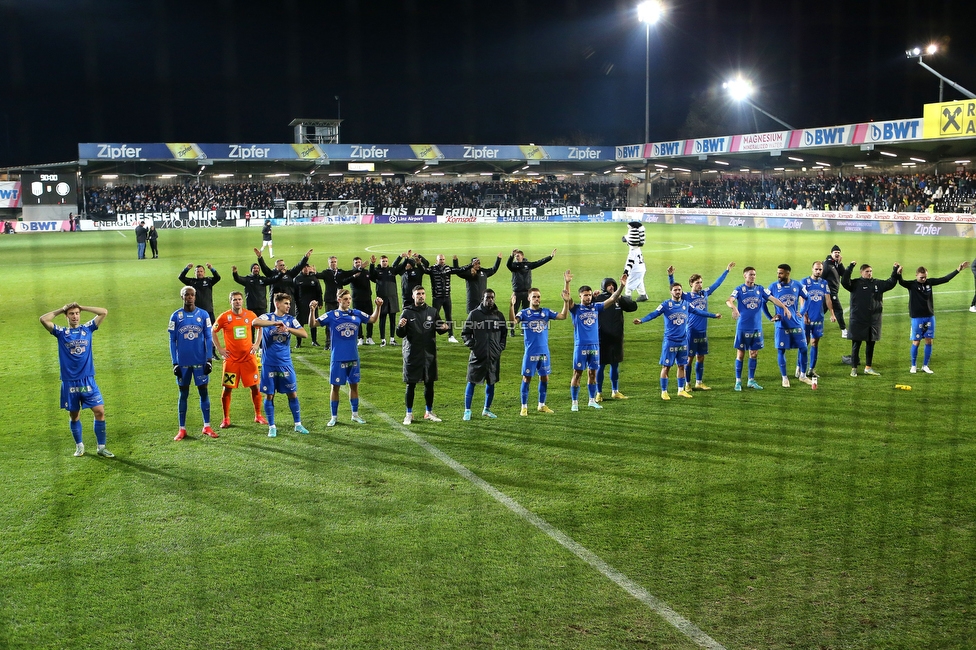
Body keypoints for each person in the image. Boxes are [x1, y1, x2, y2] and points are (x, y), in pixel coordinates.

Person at [40, 302, 113, 457]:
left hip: (87, 379)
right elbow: (43, 319)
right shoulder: (61, 332)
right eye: (71, 314)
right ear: (67, 316)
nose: (75, 316)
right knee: (74, 415)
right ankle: (79, 446)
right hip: (69, 381)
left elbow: (103, 312)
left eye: (77, 313)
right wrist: (61, 309)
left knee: (99, 411)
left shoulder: (87, 329)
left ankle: (101, 447)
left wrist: (83, 307)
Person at [634, 283, 720, 400]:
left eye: (679, 290)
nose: (678, 292)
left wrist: (713, 315)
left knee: (681, 366)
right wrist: (642, 320)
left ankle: (681, 390)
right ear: (671, 292)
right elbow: (654, 314)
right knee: (666, 367)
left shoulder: (686, 304)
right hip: (670, 341)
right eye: (675, 290)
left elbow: (699, 312)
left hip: (683, 341)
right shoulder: (665, 305)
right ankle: (664, 391)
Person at [308, 290, 382, 427]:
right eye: (345, 299)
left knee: (354, 386)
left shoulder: (356, 313)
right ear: (339, 300)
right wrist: (312, 310)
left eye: (349, 299)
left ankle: (355, 415)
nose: (348, 301)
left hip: (353, 357)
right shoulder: (331, 315)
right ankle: (334, 417)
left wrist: (378, 307)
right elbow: (313, 324)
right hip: (337, 358)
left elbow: (372, 319)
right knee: (335, 387)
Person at [564, 269, 627, 411]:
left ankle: (592, 400)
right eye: (585, 295)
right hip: (580, 346)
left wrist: (622, 286)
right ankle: (575, 403)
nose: (588, 297)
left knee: (592, 373)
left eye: (590, 294)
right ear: (580, 296)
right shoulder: (576, 309)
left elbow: (611, 299)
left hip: (595, 346)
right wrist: (567, 283)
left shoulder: (596, 307)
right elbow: (567, 298)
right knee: (577, 373)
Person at [666, 261, 734, 390]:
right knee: (689, 359)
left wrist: (727, 270)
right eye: (697, 283)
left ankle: (699, 382)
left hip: (703, 331)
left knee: (701, 357)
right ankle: (687, 384)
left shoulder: (705, 293)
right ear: (691, 284)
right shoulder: (686, 295)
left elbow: (717, 284)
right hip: (691, 331)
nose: (700, 285)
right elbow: (673, 289)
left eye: (701, 282)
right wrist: (671, 276)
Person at [726, 266, 791, 391]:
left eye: (754, 274)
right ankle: (738, 381)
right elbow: (729, 300)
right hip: (743, 327)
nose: (753, 276)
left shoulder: (760, 289)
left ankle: (751, 380)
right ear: (744, 276)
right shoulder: (739, 289)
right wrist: (734, 308)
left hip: (756, 328)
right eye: (750, 274)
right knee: (740, 354)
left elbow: (773, 299)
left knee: (754, 354)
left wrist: (784, 307)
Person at [212, 291, 270, 429]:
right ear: (230, 302)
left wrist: (256, 344)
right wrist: (219, 349)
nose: (237, 302)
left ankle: (258, 415)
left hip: (248, 359)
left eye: (239, 299)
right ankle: (226, 418)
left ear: (242, 301)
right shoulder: (224, 317)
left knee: (255, 387)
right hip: (231, 361)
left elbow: (260, 328)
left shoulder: (250, 315)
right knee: (227, 389)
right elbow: (213, 331)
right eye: (234, 300)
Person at [897, 261, 968, 374]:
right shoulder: (911, 285)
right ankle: (913, 365)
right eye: (921, 277)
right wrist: (898, 274)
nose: (924, 279)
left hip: (930, 316)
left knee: (929, 341)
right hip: (917, 318)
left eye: (925, 277)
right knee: (916, 341)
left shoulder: (929, 283)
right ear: (916, 275)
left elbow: (945, 279)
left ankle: (925, 366)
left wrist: (958, 270)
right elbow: (901, 282)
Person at [396, 286, 450, 424]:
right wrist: (400, 326)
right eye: (418, 294)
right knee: (411, 384)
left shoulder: (432, 311)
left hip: (429, 354)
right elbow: (400, 334)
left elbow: (439, 329)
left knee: (429, 383)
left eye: (423, 293)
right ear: (413, 296)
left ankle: (429, 412)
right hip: (412, 353)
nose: (421, 296)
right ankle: (409, 414)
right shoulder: (407, 312)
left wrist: (445, 327)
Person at [258, 293, 309, 437]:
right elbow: (255, 322)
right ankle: (272, 426)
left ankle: (298, 424)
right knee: (269, 395)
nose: (288, 306)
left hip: (285, 363)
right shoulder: (267, 317)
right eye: (286, 303)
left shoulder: (290, 319)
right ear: (277, 304)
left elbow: (304, 334)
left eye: (289, 304)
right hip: (269, 364)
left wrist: (288, 329)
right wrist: (274, 324)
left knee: (292, 393)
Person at [510, 288, 568, 416]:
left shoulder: (546, 312)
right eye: (534, 297)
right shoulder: (524, 313)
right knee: (527, 378)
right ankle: (524, 407)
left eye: (539, 297)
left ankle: (541, 405)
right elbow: (512, 322)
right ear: (529, 298)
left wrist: (566, 302)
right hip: (530, 353)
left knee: (544, 377)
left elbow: (563, 316)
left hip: (544, 352)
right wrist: (511, 306)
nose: (537, 299)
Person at [169, 286, 217, 440]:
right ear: (181, 297)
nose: (189, 297)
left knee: (204, 392)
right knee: (183, 394)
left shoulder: (203, 315)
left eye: (192, 295)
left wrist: (209, 359)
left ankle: (207, 426)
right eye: (186, 295)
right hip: (182, 363)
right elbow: (172, 340)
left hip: (200, 361)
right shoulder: (175, 316)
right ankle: (182, 429)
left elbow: (209, 338)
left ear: (195, 297)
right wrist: (174, 363)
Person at [841, 261, 900, 377]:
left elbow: (891, 283)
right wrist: (850, 268)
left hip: (873, 320)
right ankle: (854, 368)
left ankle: (868, 367)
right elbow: (844, 282)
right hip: (858, 319)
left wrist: (895, 271)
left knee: (870, 344)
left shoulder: (877, 283)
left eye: (871, 271)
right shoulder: (855, 284)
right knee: (856, 345)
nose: (869, 273)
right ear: (861, 272)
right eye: (867, 271)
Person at [461, 289, 508, 420]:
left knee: (491, 383)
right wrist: (473, 345)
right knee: (471, 382)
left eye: (492, 298)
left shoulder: (499, 316)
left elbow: (504, 334)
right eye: (488, 297)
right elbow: (465, 333)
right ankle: (467, 410)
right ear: (483, 298)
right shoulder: (474, 314)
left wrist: (500, 347)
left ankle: (486, 409)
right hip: (477, 356)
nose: (490, 300)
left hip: (493, 356)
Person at [764, 264, 813, 388]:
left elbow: (808, 298)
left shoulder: (797, 285)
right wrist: (771, 317)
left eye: (781, 273)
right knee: (781, 350)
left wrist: (801, 313)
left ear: (787, 273)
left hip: (796, 324)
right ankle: (784, 378)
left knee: (803, 349)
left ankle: (803, 375)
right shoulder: (773, 286)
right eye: (777, 273)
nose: (778, 275)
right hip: (781, 325)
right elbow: (762, 302)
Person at [592, 276, 638, 401]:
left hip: (617, 338)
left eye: (613, 285)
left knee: (615, 365)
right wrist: (593, 297)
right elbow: (586, 305)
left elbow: (633, 306)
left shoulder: (618, 299)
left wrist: (621, 297)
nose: (611, 287)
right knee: (600, 366)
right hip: (602, 338)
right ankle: (599, 393)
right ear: (603, 286)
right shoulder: (599, 299)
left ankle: (615, 391)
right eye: (609, 285)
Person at [799, 261, 835, 379]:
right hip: (806, 318)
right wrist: (805, 315)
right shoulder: (805, 282)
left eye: (820, 269)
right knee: (804, 343)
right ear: (812, 269)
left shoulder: (824, 283)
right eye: (816, 269)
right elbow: (802, 299)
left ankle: (811, 369)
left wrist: (832, 314)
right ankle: (799, 367)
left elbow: (828, 300)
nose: (818, 271)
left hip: (818, 318)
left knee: (815, 343)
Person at [507, 248, 556, 335]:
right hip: (517, 292)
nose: (516, 257)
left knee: (526, 311)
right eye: (515, 256)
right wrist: (511, 256)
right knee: (514, 310)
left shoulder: (528, 265)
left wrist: (550, 257)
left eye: (517, 256)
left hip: (527, 292)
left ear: (522, 256)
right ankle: (512, 329)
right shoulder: (513, 266)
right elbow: (508, 265)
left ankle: (523, 329)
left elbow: (539, 262)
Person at [314, 256, 360, 350]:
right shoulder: (326, 273)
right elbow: (318, 275)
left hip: (340, 302)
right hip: (330, 300)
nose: (333, 263)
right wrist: (314, 272)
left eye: (335, 262)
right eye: (331, 262)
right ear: (328, 263)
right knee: (328, 322)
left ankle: (341, 341)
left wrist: (359, 268)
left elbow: (350, 272)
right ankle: (328, 343)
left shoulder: (340, 272)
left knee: (342, 321)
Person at [256, 247, 311, 312]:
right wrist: (260, 258)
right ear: (276, 266)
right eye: (280, 265)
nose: (282, 266)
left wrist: (305, 257)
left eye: (283, 265)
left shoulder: (289, 273)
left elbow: (298, 267)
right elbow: (264, 267)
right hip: (276, 302)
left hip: (288, 301)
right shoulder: (271, 274)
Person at [426, 253, 461, 343]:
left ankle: (451, 336)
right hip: (437, 298)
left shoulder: (447, 268)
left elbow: (459, 270)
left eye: (443, 259)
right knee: (434, 316)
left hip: (447, 297)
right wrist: (419, 261)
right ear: (436, 260)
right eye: (440, 259)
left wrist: (457, 262)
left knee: (448, 316)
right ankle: (431, 335)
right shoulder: (432, 269)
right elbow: (423, 269)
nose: (442, 261)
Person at [369, 254, 400, 347]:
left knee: (393, 320)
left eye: (386, 261)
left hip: (392, 298)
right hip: (382, 299)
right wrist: (372, 264)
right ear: (380, 262)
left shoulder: (392, 270)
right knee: (382, 320)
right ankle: (383, 339)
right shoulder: (377, 272)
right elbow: (371, 274)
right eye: (383, 261)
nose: (385, 263)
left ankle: (392, 339)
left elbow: (400, 267)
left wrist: (403, 257)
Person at [294, 264, 323, 348]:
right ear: (301, 269)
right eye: (304, 267)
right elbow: (294, 293)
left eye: (307, 267)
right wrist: (295, 304)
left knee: (313, 323)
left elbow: (319, 291)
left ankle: (314, 341)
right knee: (299, 324)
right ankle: (298, 343)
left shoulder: (314, 278)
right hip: (301, 306)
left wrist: (320, 302)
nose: (306, 269)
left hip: (312, 306)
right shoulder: (297, 279)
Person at [349, 256, 376, 345]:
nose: (358, 264)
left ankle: (369, 337)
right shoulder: (353, 273)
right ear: (353, 264)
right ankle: (360, 338)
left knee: (370, 318)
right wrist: (359, 269)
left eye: (359, 262)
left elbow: (372, 276)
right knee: (357, 319)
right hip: (357, 300)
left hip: (367, 299)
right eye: (356, 262)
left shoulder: (365, 272)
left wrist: (372, 264)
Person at [823, 245, 847, 337]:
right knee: (839, 310)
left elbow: (844, 274)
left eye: (838, 252)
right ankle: (844, 330)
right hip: (829, 292)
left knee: (821, 310)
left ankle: (809, 327)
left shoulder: (835, 263)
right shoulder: (827, 264)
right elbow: (821, 277)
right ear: (831, 253)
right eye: (835, 252)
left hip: (833, 291)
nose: (837, 254)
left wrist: (840, 263)